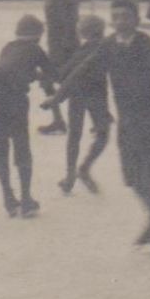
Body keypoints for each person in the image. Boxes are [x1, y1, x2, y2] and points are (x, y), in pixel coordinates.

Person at [45, 0, 150, 261]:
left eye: (125, 16)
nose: (120, 21)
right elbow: (82, 71)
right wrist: (58, 97)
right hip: (128, 123)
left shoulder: (148, 45)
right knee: (132, 178)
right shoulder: (109, 46)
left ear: (136, 19)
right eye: (115, 16)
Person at [0, 15, 58, 217]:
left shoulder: (8, 46)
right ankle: (26, 198)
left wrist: (33, 74)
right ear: (38, 35)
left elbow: (11, 66)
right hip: (14, 97)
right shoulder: (36, 49)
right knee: (21, 144)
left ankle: (8, 196)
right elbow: (53, 73)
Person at [55, 15, 114, 195]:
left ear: (82, 32)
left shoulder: (82, 50)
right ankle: (85, 167)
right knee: (103, 134)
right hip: (97, 96)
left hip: (77, 94)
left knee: (74, 135)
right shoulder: (106, 48)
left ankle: (70, 174)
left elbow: (63, 73)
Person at [37, 0, 79, 136]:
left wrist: (64, 48)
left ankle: (59, 120)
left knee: (51, 80)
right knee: (68, 83)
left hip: (64, 48)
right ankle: (59, 120)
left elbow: (68, 24)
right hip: (56, 46)